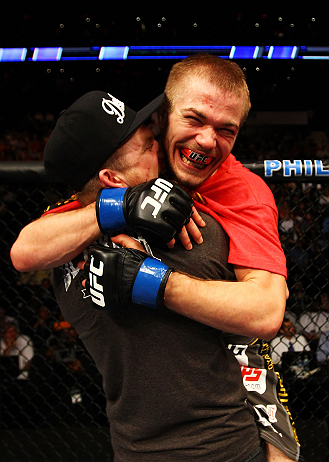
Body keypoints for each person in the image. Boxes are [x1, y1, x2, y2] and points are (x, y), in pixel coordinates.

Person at [10, 55, 298, 460]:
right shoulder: (133, 175)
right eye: (194, 119)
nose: (207, 141)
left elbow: (265, 313)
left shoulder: (241, 193)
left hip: (230, 428)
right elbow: (24, 251)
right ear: (165, 117)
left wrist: (152, 280)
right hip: (138, 441)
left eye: (226, 130)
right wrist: (121, 206)